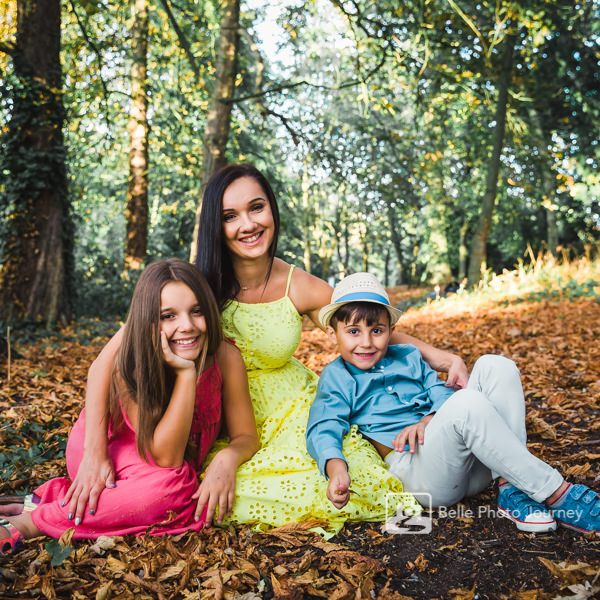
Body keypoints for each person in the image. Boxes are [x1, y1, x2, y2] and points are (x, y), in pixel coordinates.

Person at [59, 164, 470, 533]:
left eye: (257, 208)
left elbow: (365, 324)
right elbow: (103, 365)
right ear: (215, 227)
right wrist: (95, 452)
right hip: (217, 415)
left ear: (272, 210)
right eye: (230, 216)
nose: (247, 224)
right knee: (207, 496)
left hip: (291, 410)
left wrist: (439, 356)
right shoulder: (192, 287)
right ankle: (53, 508)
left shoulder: (298, 284)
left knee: (347, 482)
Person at [306, 272, 600, 535]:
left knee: (495, 365)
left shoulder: (408, 355)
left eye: (377, 330)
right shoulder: (337, 375)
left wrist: (431, 416)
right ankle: (556, 493)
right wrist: (336, 468)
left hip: (473, 464)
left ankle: (511, 489)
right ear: (333, 333)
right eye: (354, 331)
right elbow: (324, 425)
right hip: (419, 472)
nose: (367, 342)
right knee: (466, 402)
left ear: (390, 329)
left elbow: (439, 391)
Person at [0, 259, 258, 554]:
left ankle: (54, 497)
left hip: (156, 462)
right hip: (110, 445)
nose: (187, 326)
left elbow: (246, 436)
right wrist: (186, 374)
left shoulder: (225, 356)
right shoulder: (135, 359)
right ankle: (31, 523)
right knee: (173, 492)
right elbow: (166, 457)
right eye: (168, 316)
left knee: (171, 487)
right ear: (148, 320)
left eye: (196, 311)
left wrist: (226, 458)